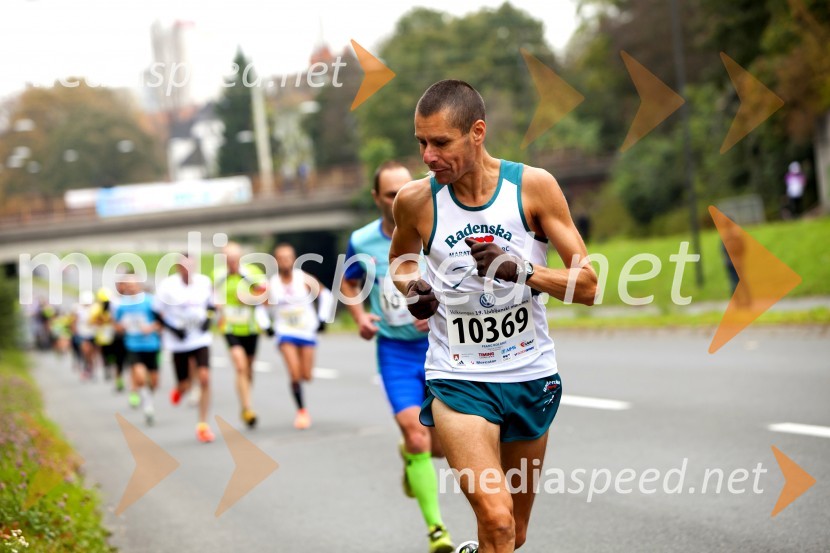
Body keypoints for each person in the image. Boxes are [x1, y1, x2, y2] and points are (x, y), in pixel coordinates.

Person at [389, 80, 597, 553]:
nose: (428, 156)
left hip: (529, 374)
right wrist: (412, 287)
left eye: (440, 142)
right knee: (497, 520)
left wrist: (521, 270)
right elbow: (400, 260)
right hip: (458, 377)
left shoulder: (533, 187)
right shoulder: (415, 201)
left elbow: (587, 285)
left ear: (477, 132)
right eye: (421, 142)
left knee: (513, 534)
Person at [341, 160, 455, 553]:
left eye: (406, 189)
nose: (400, 198)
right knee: (417, 434)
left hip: (440, 347)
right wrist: (360, 317)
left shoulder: (436, 228)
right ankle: (437, 530)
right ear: (377, 197)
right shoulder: (361, 241)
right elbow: (349, 282)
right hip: (395, 352)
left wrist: (439, 308)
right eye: (391, 194)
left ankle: (411, 456)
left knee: (441, 447)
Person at [267, 243, 331, 430]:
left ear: (294, 259)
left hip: (306, 330)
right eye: (281, 258)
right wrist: (266, 325)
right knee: (294, 374)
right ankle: (302, 411)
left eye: (288, 257)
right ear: (276, 261)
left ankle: (302, 389)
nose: (285, 261)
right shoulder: (272, 284)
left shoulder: (303, 279)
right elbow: (261, 307)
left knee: (306, 375)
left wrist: (323, 319)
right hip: (285, 332)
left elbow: (326, 295)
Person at [154, 253, 216, 443]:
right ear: (178, 267)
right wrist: (173, 329)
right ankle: (180, 390)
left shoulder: (204, 282)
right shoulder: (167, 286)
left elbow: (212, 306)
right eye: (184, 266)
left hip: (200, 339)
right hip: (178, 341)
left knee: (204, 378)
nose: (188, 270)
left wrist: (207, 321)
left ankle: (203, 425)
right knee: (185, 384)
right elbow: (156, 312)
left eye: (191, 266)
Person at [211, 242, 267, 428]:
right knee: (240, 366)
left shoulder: (252, 273)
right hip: (229, 327)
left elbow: (266, 297)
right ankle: (248, 407)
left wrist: (249, 298)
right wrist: (215, 305)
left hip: (250, 327)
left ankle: (245, 404)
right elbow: (211, 298)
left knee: (248, 369)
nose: (232, 262)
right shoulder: (217, 275)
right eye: (228, 259)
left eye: (235, 258)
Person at [114, 275, 162, 426]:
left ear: (139, 285)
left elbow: (161, 321)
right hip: (133, 345)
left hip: (151, 345)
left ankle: (149, 400)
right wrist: (121, 327)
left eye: (133, 285)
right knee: (140, 377)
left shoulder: (150, 301)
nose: (131, 288)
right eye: (127, 286)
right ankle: (148, 407)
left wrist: (151, 328)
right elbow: (117, 325)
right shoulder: (122, 304)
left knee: (154, 382)